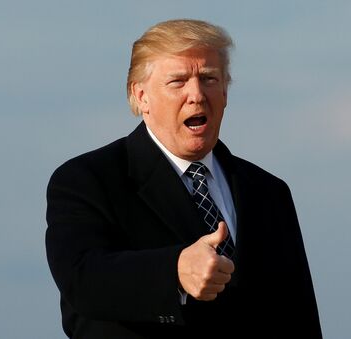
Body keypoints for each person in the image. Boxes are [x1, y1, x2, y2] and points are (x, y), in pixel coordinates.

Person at [46, 19, 322, 338]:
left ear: (225, 91)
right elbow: (83, 282)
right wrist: (174, 271)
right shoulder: (86, 180)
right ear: (141, 96)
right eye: (178, 82)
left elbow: (299, 316)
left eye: (208, 78)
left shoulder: (267, 192)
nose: (196, 94)